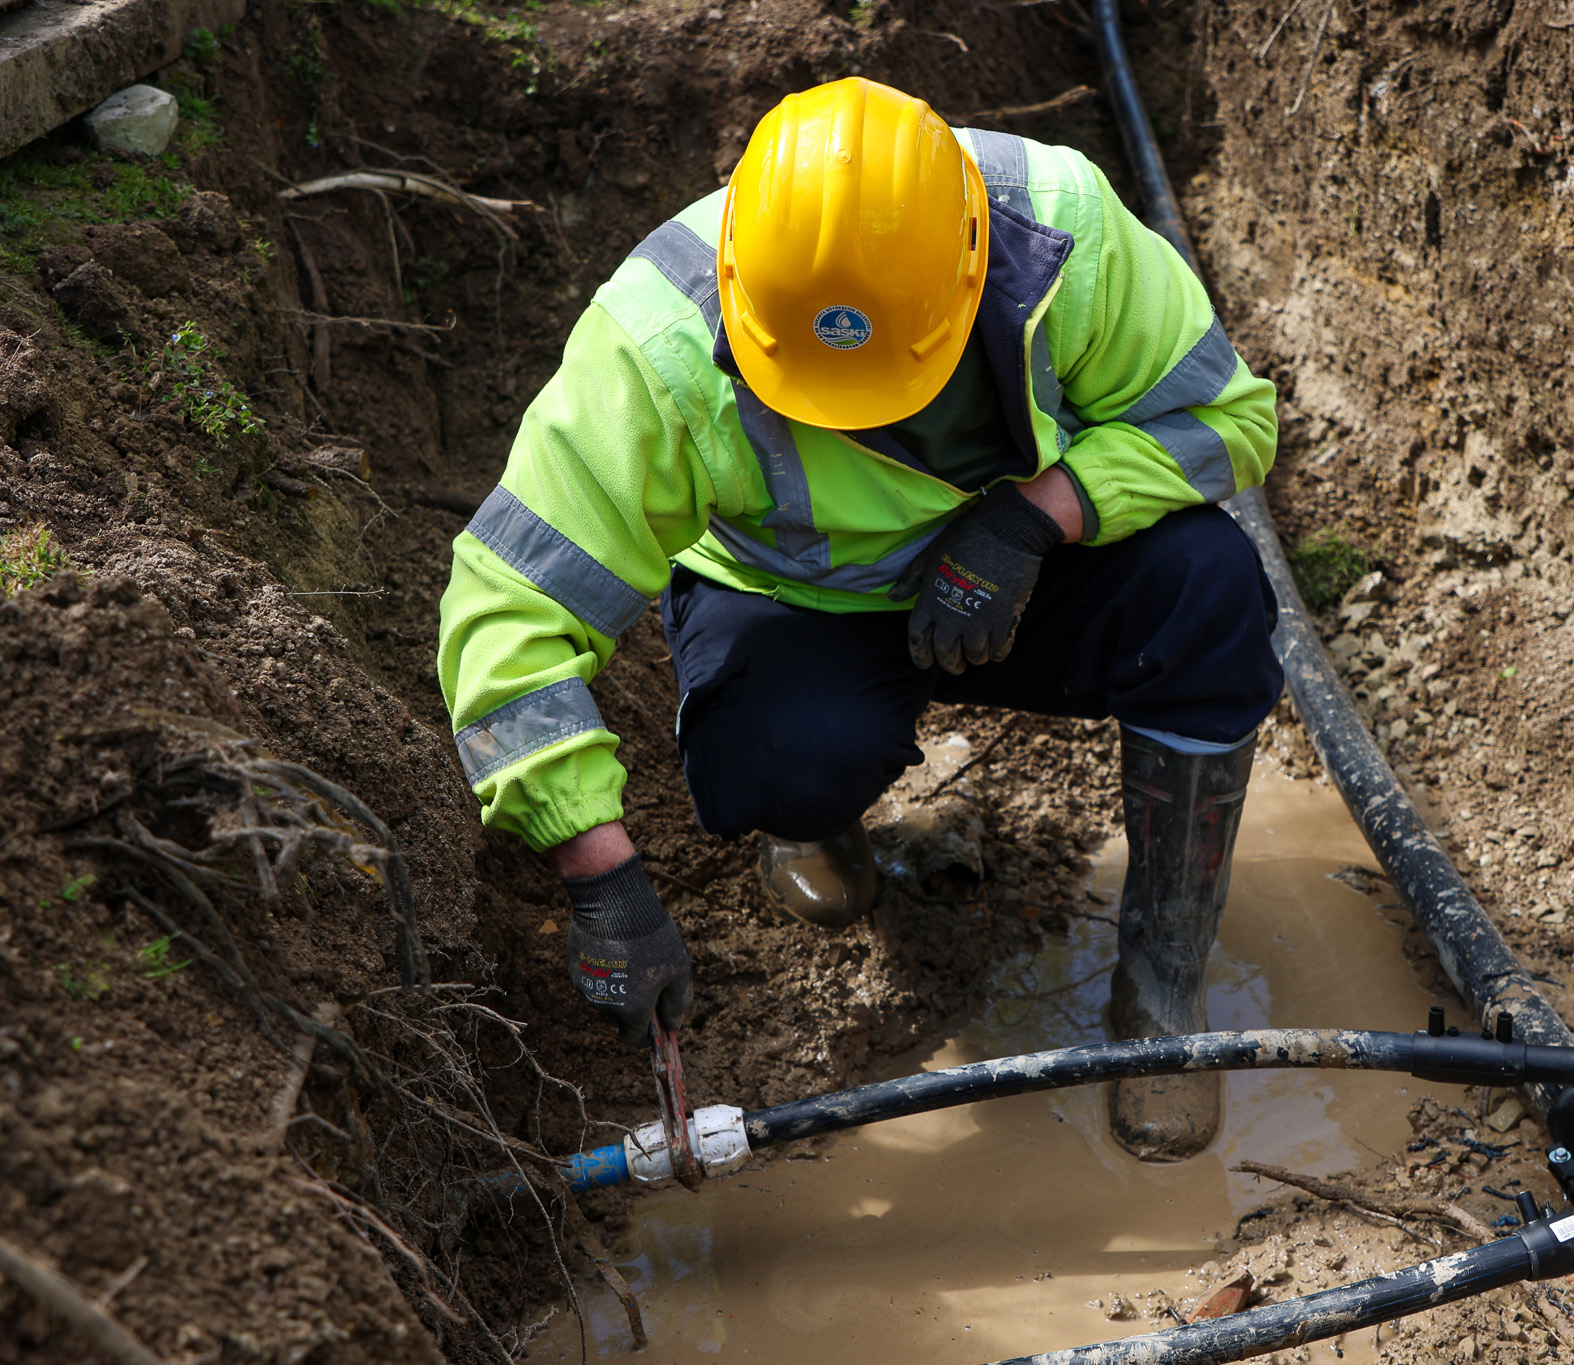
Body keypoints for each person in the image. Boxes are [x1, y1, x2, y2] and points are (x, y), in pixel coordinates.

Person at [437, 77, 1282, 1161]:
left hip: (1015, 565)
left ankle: (1160, 992)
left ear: (972, 270)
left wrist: (1035, 517)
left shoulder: (1061, 229)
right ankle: (810, 814)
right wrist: (596, 874)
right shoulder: (655, 340)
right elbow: (508, 604)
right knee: (774, 757)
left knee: (1208, 593)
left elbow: (1224, 418)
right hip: (796, 598)